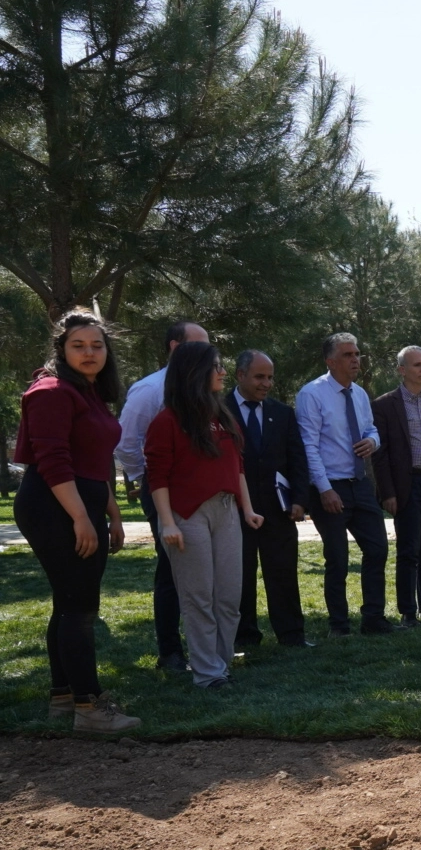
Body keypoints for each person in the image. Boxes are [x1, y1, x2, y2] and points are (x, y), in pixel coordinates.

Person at [15, 308, 138, 732]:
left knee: (68, 604)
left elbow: (93, 461)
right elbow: (54, 462)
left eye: (97, 345)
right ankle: (90, 708)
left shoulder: (88, 393)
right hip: (54, 505)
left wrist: (113, 513)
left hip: (81, 500)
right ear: (61, 350)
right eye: (78, 346)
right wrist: (81, 519)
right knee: (80, 608)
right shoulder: (51, 390)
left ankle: (63, 698)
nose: (89, 353)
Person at [145, 341, 264, 688]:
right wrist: (167, 522)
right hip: (187, 514)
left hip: (227, 511)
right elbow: (158, 476)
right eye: (216, 367)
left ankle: (220, 664)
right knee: (198, 597)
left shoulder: (222, 415)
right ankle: (207, 673)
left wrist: (248, 508)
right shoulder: (166, 420)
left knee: (228, 596)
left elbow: (236, 466)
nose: (223, 373)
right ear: (195, 372)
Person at [115, 319, 205, 673]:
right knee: (172, 568)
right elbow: (126, 443)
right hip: (164, 492)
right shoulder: (150, 390)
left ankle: (207, 647)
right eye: (198, 344)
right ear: (174, 346)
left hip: (203, 492)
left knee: (204, 569)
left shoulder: (204, 387)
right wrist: (148, 480)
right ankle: (170, 652)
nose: (207, 352)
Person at [296, 333, 392, 637]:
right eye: (348, 355)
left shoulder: (360, 394)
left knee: (377, 550)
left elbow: (371, 428)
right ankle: (339, 625)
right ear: (330, 361)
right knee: (337, 557)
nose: (355, 359)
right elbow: (308, 446)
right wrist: (324, 489)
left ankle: (374, 619)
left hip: (360, 484)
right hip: (329, 486)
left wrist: (372, 441)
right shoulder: (311, 394)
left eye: (357, 353)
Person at [225, 350, 312, 649]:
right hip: (234, 510)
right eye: (259, 377)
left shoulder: (283, 413)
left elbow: (297, 458)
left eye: (270, 377)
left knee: (284, 573)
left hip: (279, 510)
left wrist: (300, 499)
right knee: (241, 576)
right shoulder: (217, 410)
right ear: (240, 375)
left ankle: (291, 635)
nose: (266, 383)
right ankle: (244, 638)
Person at [373, 345, 421, 627]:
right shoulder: (384, 405)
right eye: (417, 365)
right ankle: (407, 611)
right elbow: (380, 455)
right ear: (402, 370)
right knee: (408, 550)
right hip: (406, 485)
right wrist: (387, 493)